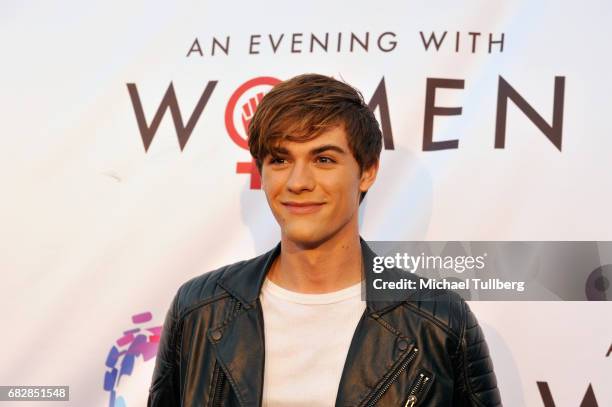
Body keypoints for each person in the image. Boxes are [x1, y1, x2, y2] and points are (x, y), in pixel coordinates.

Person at [147, 73, 502, 406]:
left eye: (324, 159)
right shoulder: (199, 310)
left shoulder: (439, 323)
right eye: (280, 159)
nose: (299, 181)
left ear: (367, 172)